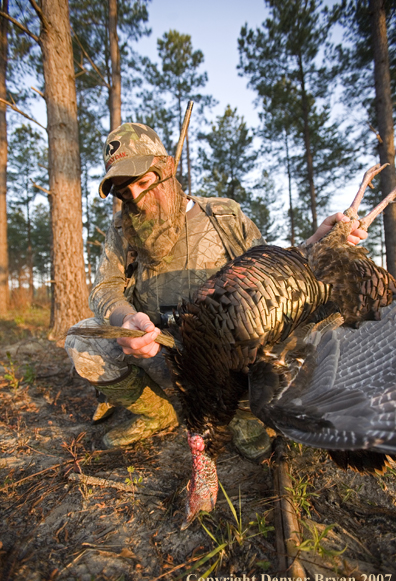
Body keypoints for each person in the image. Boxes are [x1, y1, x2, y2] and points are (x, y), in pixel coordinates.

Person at [65, 122, 367, 457]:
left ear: (165, 170)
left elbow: (273, 275)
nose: (134, 197)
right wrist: (124, 318)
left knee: (290, 342)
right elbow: (104, 287)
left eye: (142, 182)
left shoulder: (223, 216)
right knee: (82, 337)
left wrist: (315, 245)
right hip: (161, 351)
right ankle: (157, 414)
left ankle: (242, 416)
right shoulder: (122, 230)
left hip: (231, 360)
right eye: (123, 190)